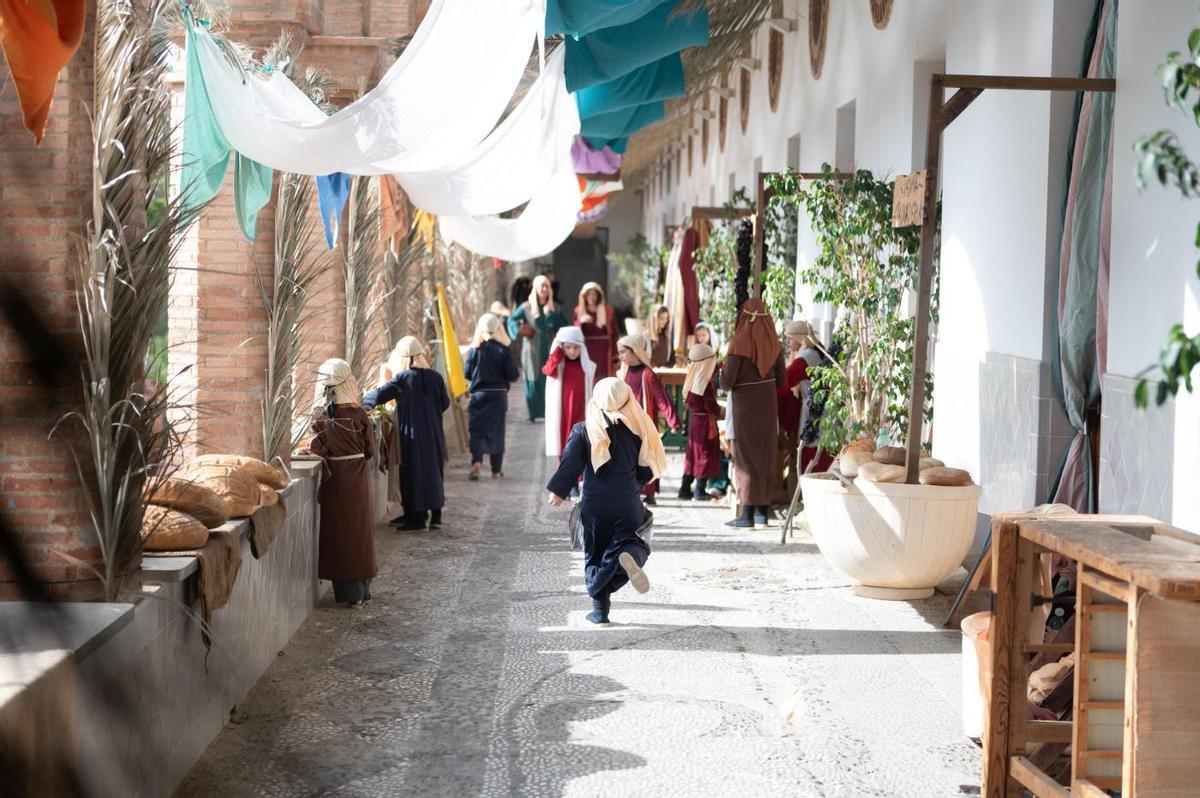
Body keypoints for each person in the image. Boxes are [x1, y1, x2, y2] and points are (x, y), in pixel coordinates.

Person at [546, 377, 665, 624]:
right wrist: (632, 486)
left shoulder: (584, 429)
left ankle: (600, 613)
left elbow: (570, 464)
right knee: (636, 541)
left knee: (596, 553)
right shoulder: (639, 429)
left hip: (594, 505)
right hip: (627, 503)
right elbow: (646, 470)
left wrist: (558, 491)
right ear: (627, 397)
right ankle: (628, 558)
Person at [305, 359, 376, 608]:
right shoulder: (359, 414)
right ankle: (362, 592)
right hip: (357, 478)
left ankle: (351, 593)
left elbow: (316, 448)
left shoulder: (321, 417)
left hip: (336, 480)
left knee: (341, 535)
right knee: (359, 533)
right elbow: (370, 450)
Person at [363, 336, 450, 531]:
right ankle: (434, 517)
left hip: (412, 434)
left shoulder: (403, 379)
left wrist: (360, 404)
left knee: (413, 473)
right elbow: (445, 403)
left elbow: (379, 395)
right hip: (434, 433)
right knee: (434, 471)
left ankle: (416, 520)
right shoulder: (435, 377)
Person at [720, 299, 786, 529]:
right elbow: (782, 380)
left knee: (745, 456)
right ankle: (761, 514)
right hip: (767, 406)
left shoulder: (739, 342)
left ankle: (746, 514)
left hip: (745, 406)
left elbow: (727, 382)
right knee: (764, 455)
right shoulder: (774, 343)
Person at [617, 334, 680, 505]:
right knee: (631, 457)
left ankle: (650, 493)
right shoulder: (625, 372)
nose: (621, 356)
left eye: (623, 352)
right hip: (628, 423)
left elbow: (662, 399)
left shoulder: (647, 374)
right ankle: (633, 491)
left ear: (635, 351)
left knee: (647, 456)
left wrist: (673, 421)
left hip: (644, 423)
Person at [464, 313, 520, 481]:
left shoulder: (475, 351)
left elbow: (467, 373)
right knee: (497, 431)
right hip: (498, 395)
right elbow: (513, 375)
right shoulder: (503, 350)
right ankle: (496, 470)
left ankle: (477, 461)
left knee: (477, 430)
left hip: (479, 395)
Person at [507, 275, 567, 422]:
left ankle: (550, 412)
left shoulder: (555, 308)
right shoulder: (526, 307)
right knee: (533, 379)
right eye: (541, 286)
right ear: (535, 288)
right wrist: (519, 329)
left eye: (547, 286)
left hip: (550, 349)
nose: (544, 289)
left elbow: (564, 325)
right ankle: (534, 413)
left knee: (550, 379)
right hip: (531, 350)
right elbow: (511, 320)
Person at [542, 325, 596, 461]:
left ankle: (579, 477)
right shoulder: (558, 365)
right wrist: (557, 353)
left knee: (581, 442)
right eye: (568, 347)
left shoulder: (586, 366)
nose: (572, 351)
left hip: (581, 410)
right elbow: (547, 370)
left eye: (576, 347)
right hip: (563, 412)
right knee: (564, 442)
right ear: (562, 347)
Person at [678, 343, 721, 501]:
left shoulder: (693, 376)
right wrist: (719, 411)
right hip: (704, 422)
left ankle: (684, 488)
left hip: (696, 420)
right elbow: (710, 405)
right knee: (704, 454)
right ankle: (699, 490)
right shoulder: (703, 382)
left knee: (693, 453)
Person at [573, 281, 619, 378]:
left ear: (599, 296)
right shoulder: (578, 311)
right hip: (587, 349)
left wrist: (615, 355)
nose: (591, 297)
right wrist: (581, 322)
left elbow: (614, 333)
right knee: (588, 376)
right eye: (589, 294)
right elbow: (574, 333)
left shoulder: (608, 311)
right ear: (584, 296)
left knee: (604, 377)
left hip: (604, 350)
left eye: (594, 294)